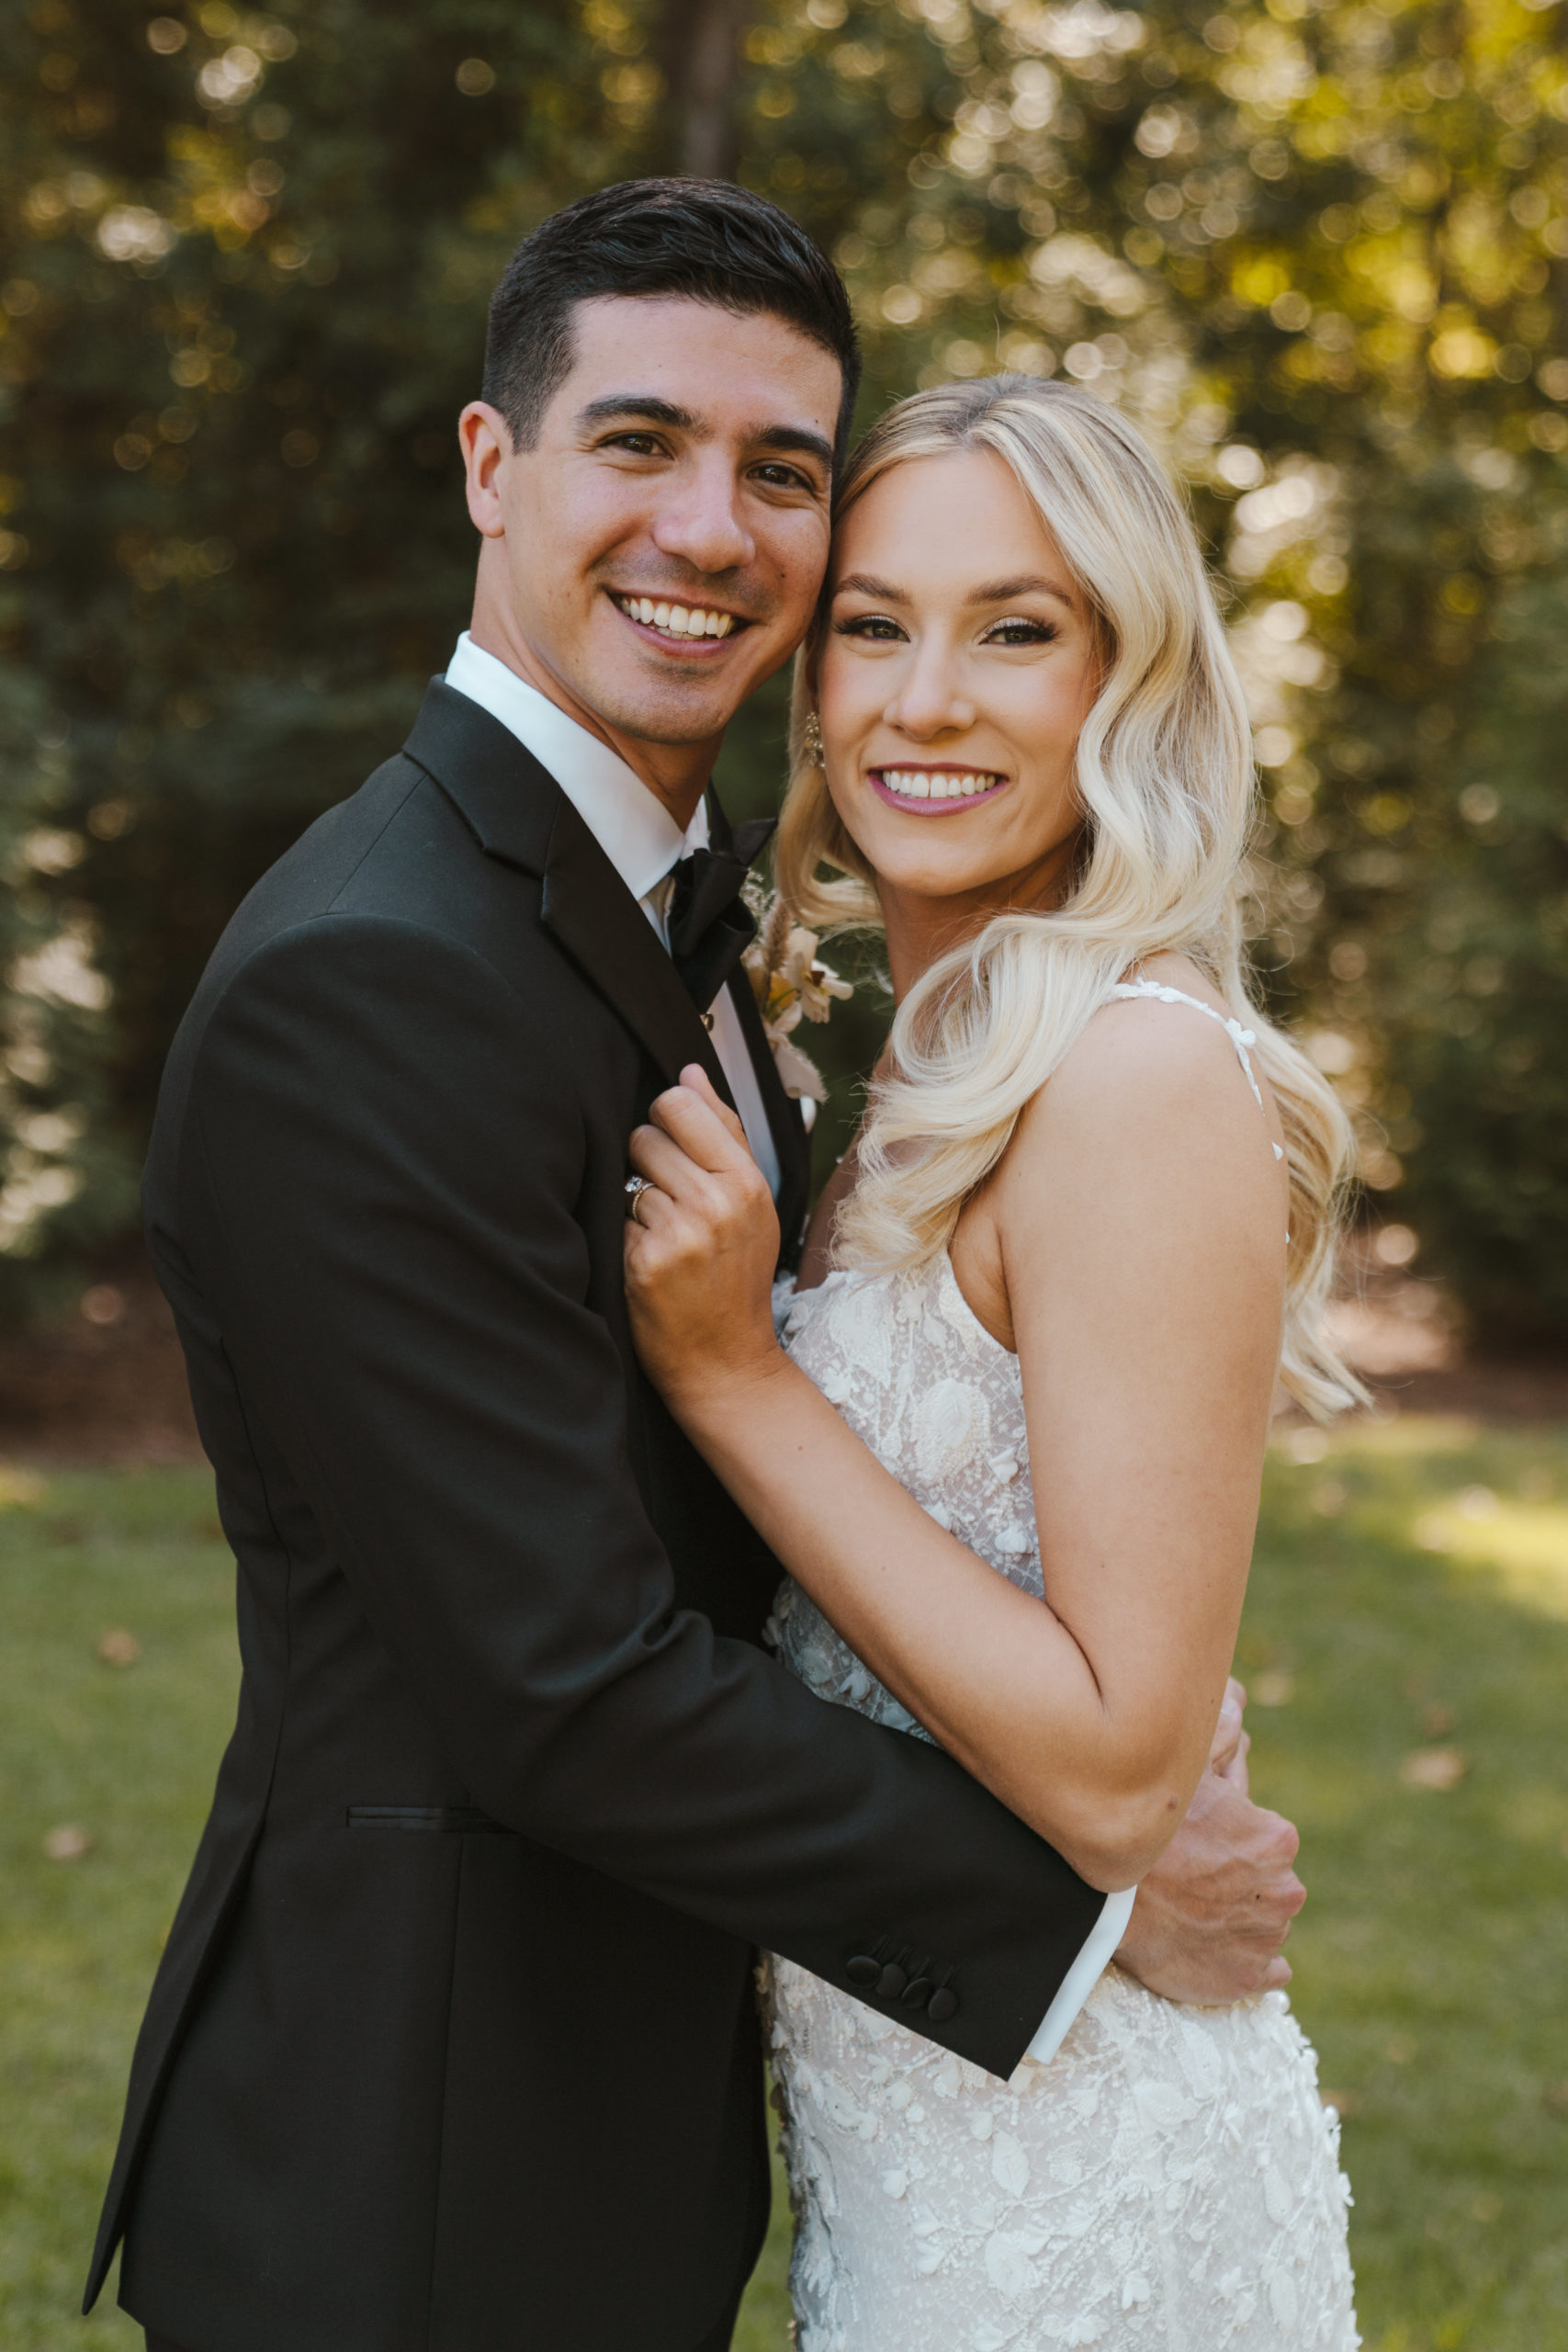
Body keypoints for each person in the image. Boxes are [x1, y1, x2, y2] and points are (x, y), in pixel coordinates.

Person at [86, 184, 1306, 2352]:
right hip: (436, 2154)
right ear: (493, 466)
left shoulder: (705, 940)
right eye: (636, 441)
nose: (711, 531)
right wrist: (1092, 1910)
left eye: (777, 475)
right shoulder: (373, 970)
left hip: (755, 2118)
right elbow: (561, 1679)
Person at [624, 374, 1362, 2346]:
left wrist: (733, 1376)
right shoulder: (931, 1073)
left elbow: (1124, 1762)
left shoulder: (1126, 1074)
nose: (920, 700)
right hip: (924, 2127)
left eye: (1011, 629)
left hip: (1075, 2196)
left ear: (1123, 677)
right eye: (871, 622)